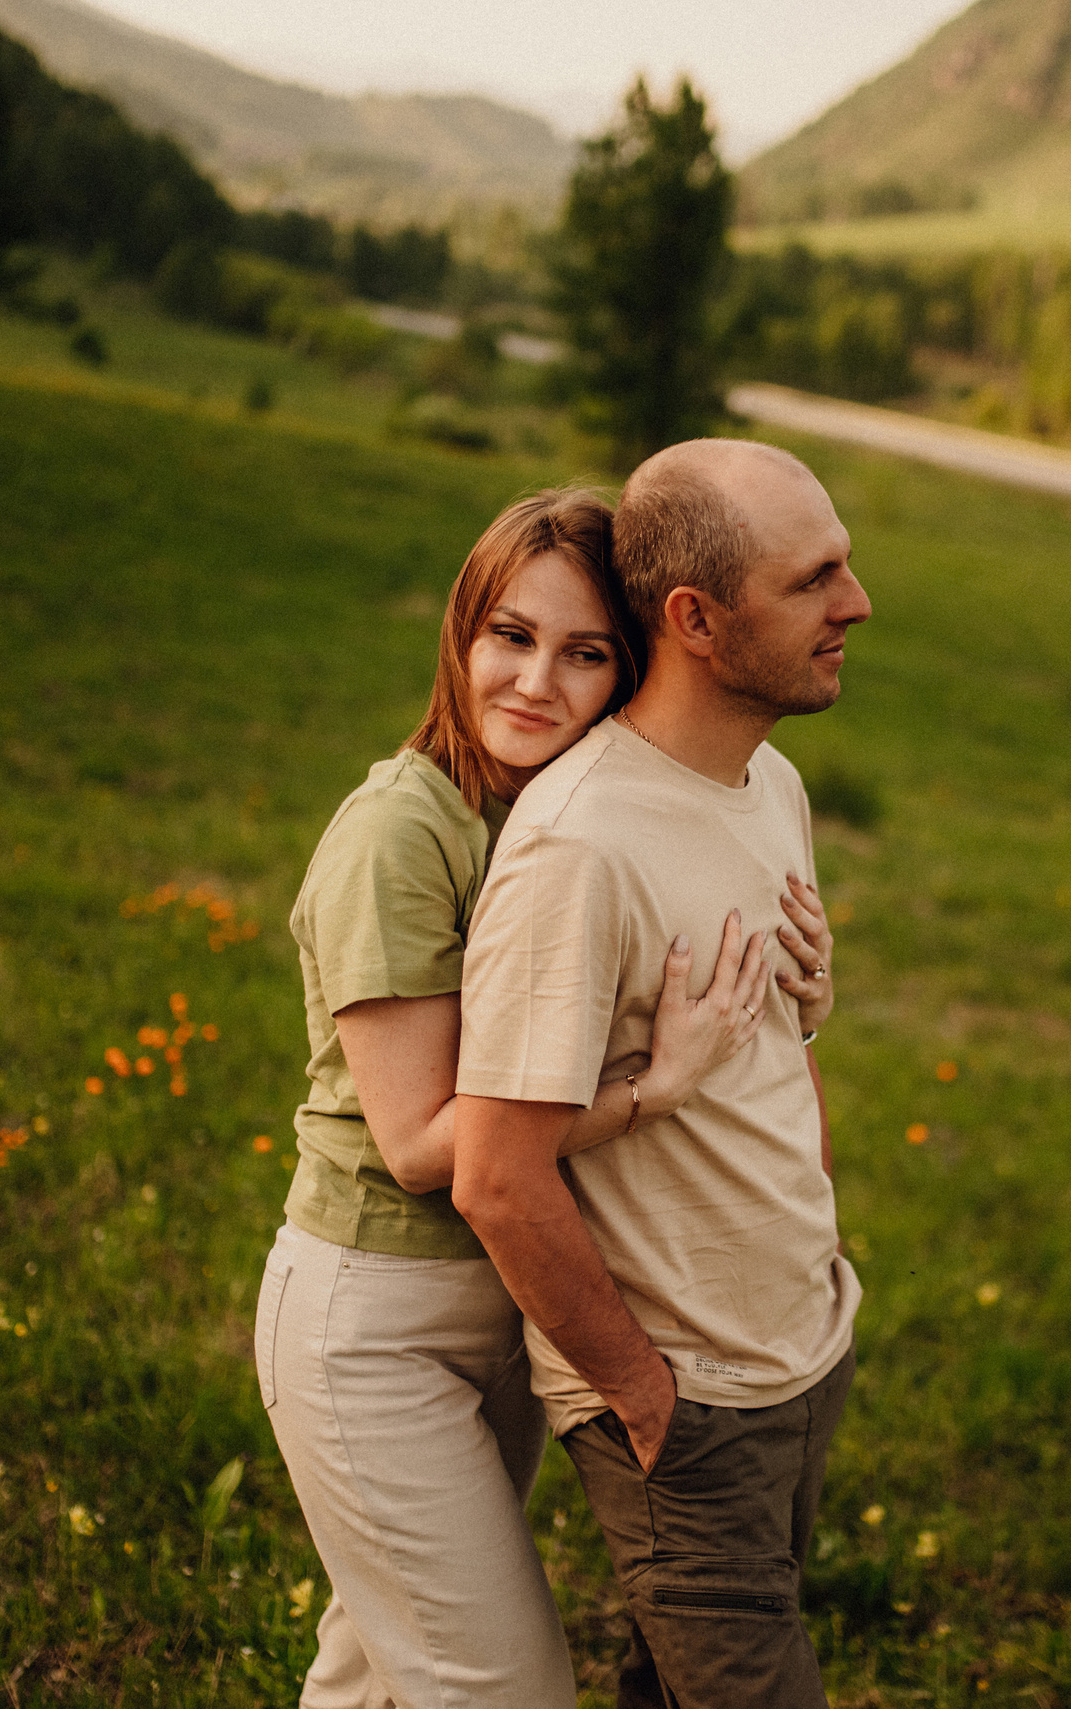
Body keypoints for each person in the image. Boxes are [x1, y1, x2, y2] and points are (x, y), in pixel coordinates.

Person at [256, 486, 827, 1709]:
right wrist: (650, 1085)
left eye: (584, 656)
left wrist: (797, 982)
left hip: (511, 1299)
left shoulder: (562, 812)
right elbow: (417, 1144)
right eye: (509, 636)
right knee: (495, 1684)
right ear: (461, 632)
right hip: (381, 1313)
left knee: (374, 1667)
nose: (533, 683)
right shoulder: (400, 835)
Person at [452, 440, 874, 1709]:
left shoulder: (770, 781)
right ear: (695, 618)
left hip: (802, 1349)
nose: (856, 603)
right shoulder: (581, 845)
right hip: (689, 1401)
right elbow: (496, 1172)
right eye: (815, 580)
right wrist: (644, 1395)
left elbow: (769, 1046)